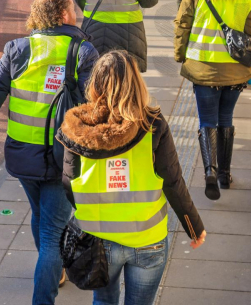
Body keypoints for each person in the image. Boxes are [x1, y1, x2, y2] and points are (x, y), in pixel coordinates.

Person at [0, 0, 99, 305]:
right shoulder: (82, 51)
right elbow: (98, 106)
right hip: (63, 158)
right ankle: (44, 295)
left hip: (23, 158)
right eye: (72, 5)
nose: (76, 9)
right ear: (63, 15)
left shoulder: (17, 50)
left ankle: (53, 270)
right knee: (52, 234)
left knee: (41, 216)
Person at [56, 50, 206, 305]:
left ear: (96, 83)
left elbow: (69, 182)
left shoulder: (79, 128)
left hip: (98, 239)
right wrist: (194, 227)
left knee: (104, 301)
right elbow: (173, 181)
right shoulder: (153, 124)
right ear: (136, 82)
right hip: (148, 238)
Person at [174, 0, 251, 200]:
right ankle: (225, 173)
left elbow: (183, 22)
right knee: (226, 118)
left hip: (203, 67)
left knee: (206, 121)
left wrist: (180, 54)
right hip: (235, 69)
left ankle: (209, 172)